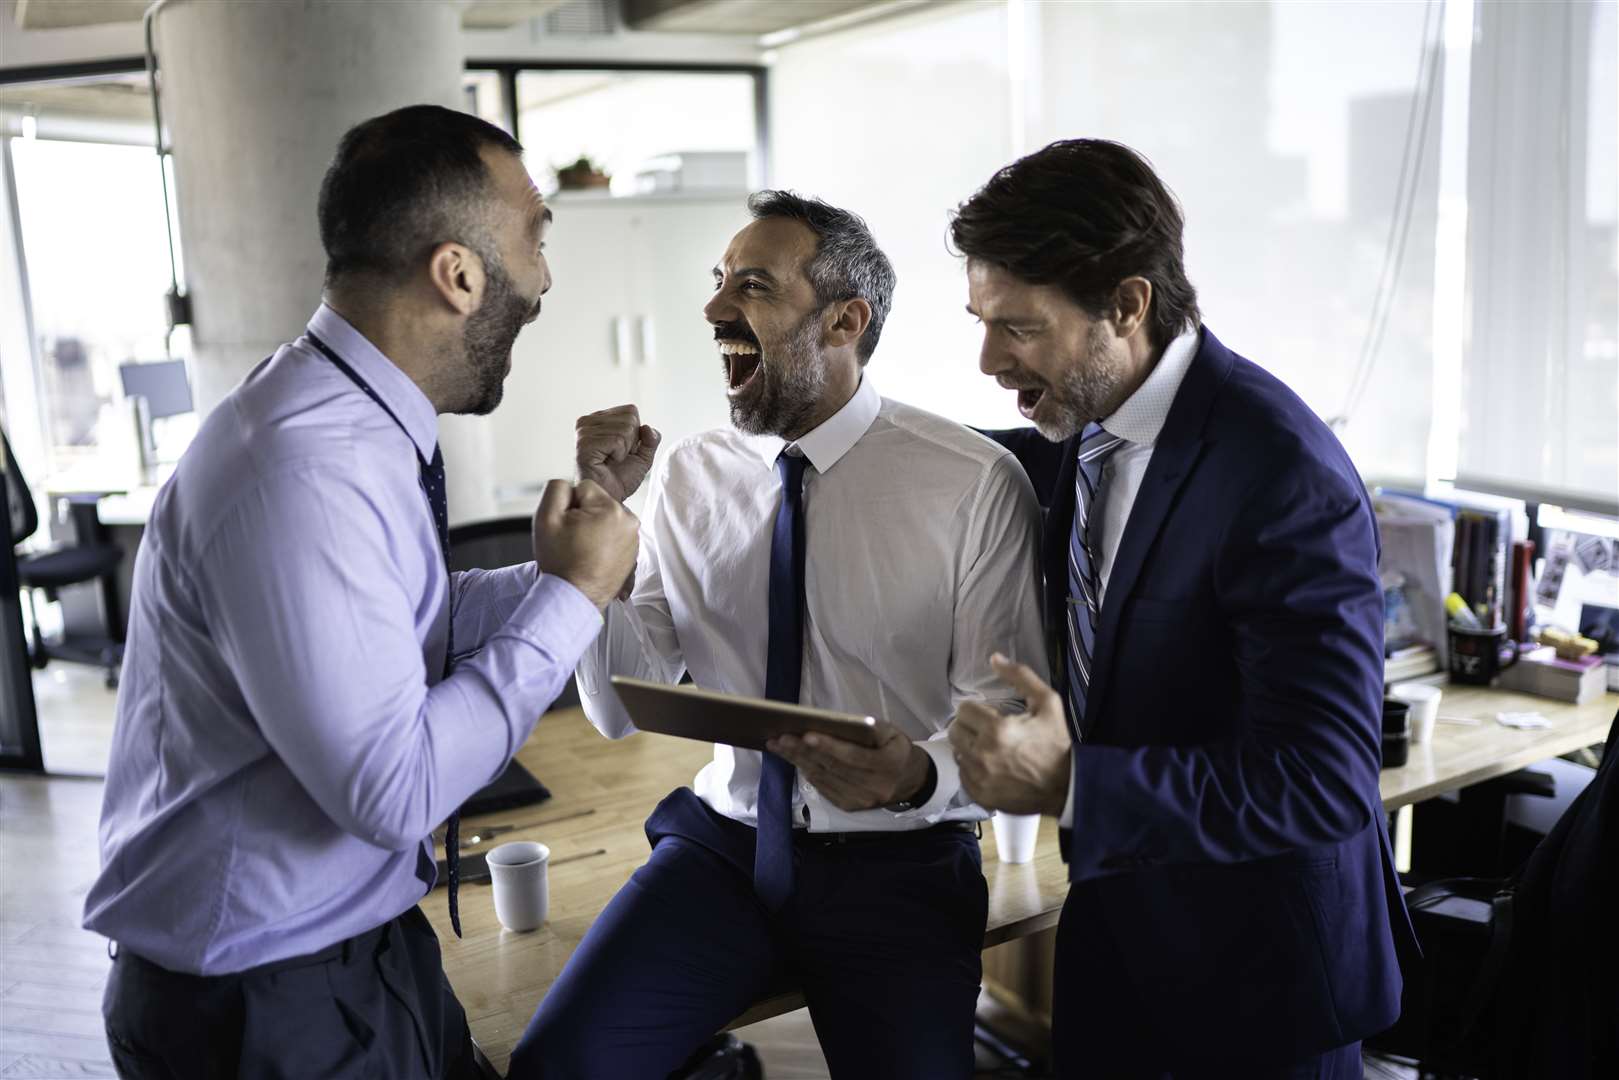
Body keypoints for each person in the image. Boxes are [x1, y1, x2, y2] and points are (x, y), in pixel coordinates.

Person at [83, 105, 639, 1079]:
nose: (544, 277)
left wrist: (585, 569)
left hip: (348, 954)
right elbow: (395, 788)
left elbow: (393, 631)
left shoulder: (342, 420)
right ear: (458, 272)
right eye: (535, 238)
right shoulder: (300, 470)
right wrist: (569, 602)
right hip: (265, 1004)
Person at [507, 191, 1046, 1080]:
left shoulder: (973, 481)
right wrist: (600, 522)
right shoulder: (687, 473)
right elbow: (613, 710)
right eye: (718, 281)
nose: (715, 307)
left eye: (751, 286)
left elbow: (1008, 714)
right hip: (722, 850)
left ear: (844, 320)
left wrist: (916, 774)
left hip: (899, 862)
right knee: (559, 1067)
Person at [945, 140, 1418, 1078]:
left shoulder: (1280, 473)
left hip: (1260, 989)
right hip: (1115, 954)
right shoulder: (1085, 428)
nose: (989, 358)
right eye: (981, 321)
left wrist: (1071, 781)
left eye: (1019, 328)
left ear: (1126, 304)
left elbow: (1318, 782)